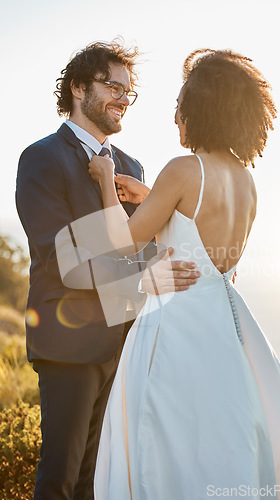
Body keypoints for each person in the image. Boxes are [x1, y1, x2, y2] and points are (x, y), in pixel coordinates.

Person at [88, 49, 280, 499]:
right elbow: (213, 255)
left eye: (179, 109)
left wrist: (106, 178)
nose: (175, 120)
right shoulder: (246, 180)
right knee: (218, 443)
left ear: (199, 110)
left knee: (163, 445)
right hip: (225, 327)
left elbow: (122, 244)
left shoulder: (182, 170)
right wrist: (152, 198)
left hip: (174, 326)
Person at [15, 39, 199, 500]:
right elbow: (60, 254)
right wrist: (141, 278)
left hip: (124, 345)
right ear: (78, 87)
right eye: (112, 86)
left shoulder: (132, 167)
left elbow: (147, 246)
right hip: (69, 343)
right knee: (59, 478)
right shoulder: (41, 158)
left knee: (99, 483)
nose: (123, 98)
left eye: (128, 92)